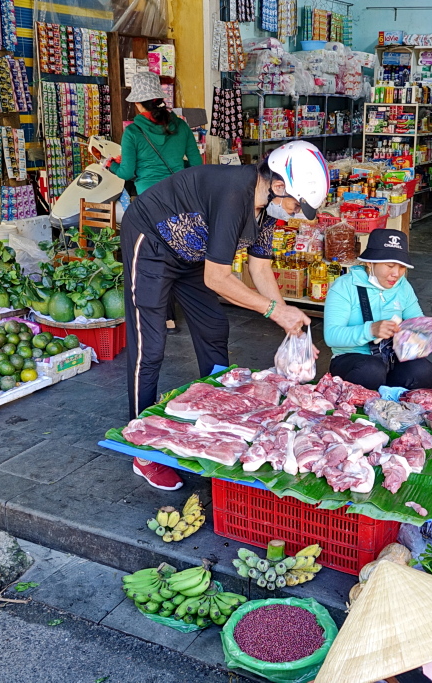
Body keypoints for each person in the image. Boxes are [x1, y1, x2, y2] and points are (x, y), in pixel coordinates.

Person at [122, 140, 328, 490]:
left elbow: (260, 269)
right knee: (150, 345)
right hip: (152, 241)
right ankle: (142, 449)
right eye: (296, 204)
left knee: (214, 327)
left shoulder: (266, 211)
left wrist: (288, 319)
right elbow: (217, 278)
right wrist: (276, 312)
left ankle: (218, 415)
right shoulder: (236, 194)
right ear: (279, 186)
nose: (295, 212)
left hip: (191, 253)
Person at [110, 71, 203, 335]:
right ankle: (186, 313)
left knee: (154, 259)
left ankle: (163, 317)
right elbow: (196, 166)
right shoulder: (182, 126)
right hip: (180, 199)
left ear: (139, 104)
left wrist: (111, 165)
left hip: (150, 203)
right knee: (181, 255)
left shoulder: (134, 132)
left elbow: (127, 173)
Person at [323, 229, 432, 390]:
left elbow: (415, 323)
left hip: (392, 358)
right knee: (371, 371)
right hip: (354, 360)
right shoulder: (344, 286)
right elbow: (332, 336)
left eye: (402, 267)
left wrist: (429, 328)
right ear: (370, 263)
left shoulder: (403, 286)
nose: (396, 274)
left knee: (423, 370)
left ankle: (401, 410)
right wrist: (370, 330)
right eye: (389, 266)